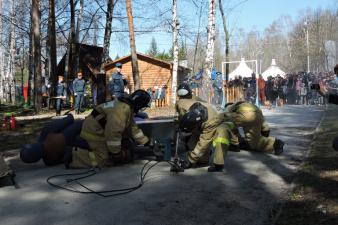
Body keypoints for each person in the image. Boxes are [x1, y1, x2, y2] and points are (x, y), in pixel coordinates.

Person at [70, 89, 151, 168]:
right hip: (94, 133)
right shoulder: (122, 110)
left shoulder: (125, 107)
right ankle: (74, 156)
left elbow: (133, 128)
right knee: (104, 160)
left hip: (99, 130)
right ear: (139, 104)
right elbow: (113, 132)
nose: (141, 109)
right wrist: (116, 153)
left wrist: (146, 142)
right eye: (142, 106)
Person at [178, 102, 234, 172]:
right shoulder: (193, 109)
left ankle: (218, 164)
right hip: (208, 121)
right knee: (195, 145)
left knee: (221, 134)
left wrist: (190, 160)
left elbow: (204, 142)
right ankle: (203, 158)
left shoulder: (210, 122)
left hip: (225, 121)